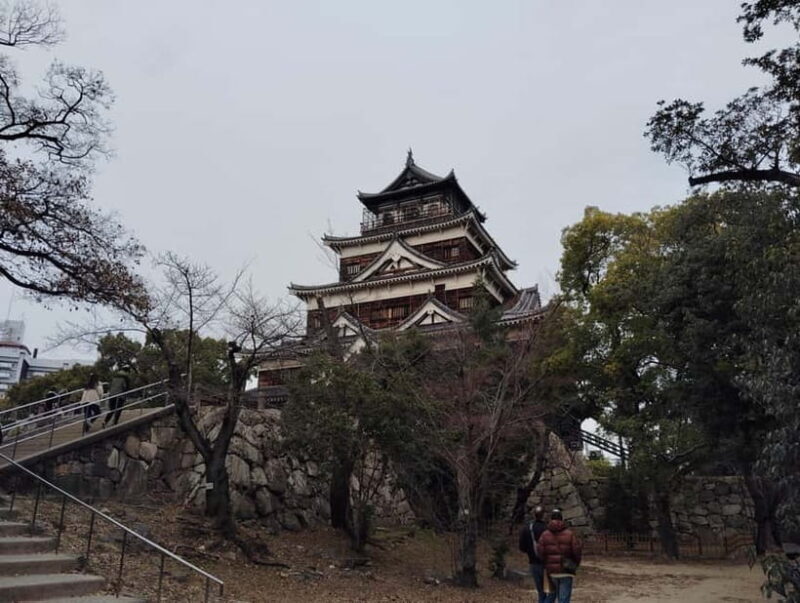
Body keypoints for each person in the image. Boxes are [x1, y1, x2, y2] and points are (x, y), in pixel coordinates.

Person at [538, 508, 582, 603]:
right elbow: (577, 551)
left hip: (551, 570)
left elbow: (540, 552)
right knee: (564, 598)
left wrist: (546, 563)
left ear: (551, 519)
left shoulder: (544, 535)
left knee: (551, 596)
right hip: (566, 570)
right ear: (562, 519)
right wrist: (575, 563)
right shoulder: (570, 534)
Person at [519, 506, 548, 603]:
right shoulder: (548, 529)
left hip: (533, 562)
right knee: (550, 591)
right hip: (547, 564)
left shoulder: (527, 529)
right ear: (544, 515)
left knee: (540, 591)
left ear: (534, 515)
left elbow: (522, 547)